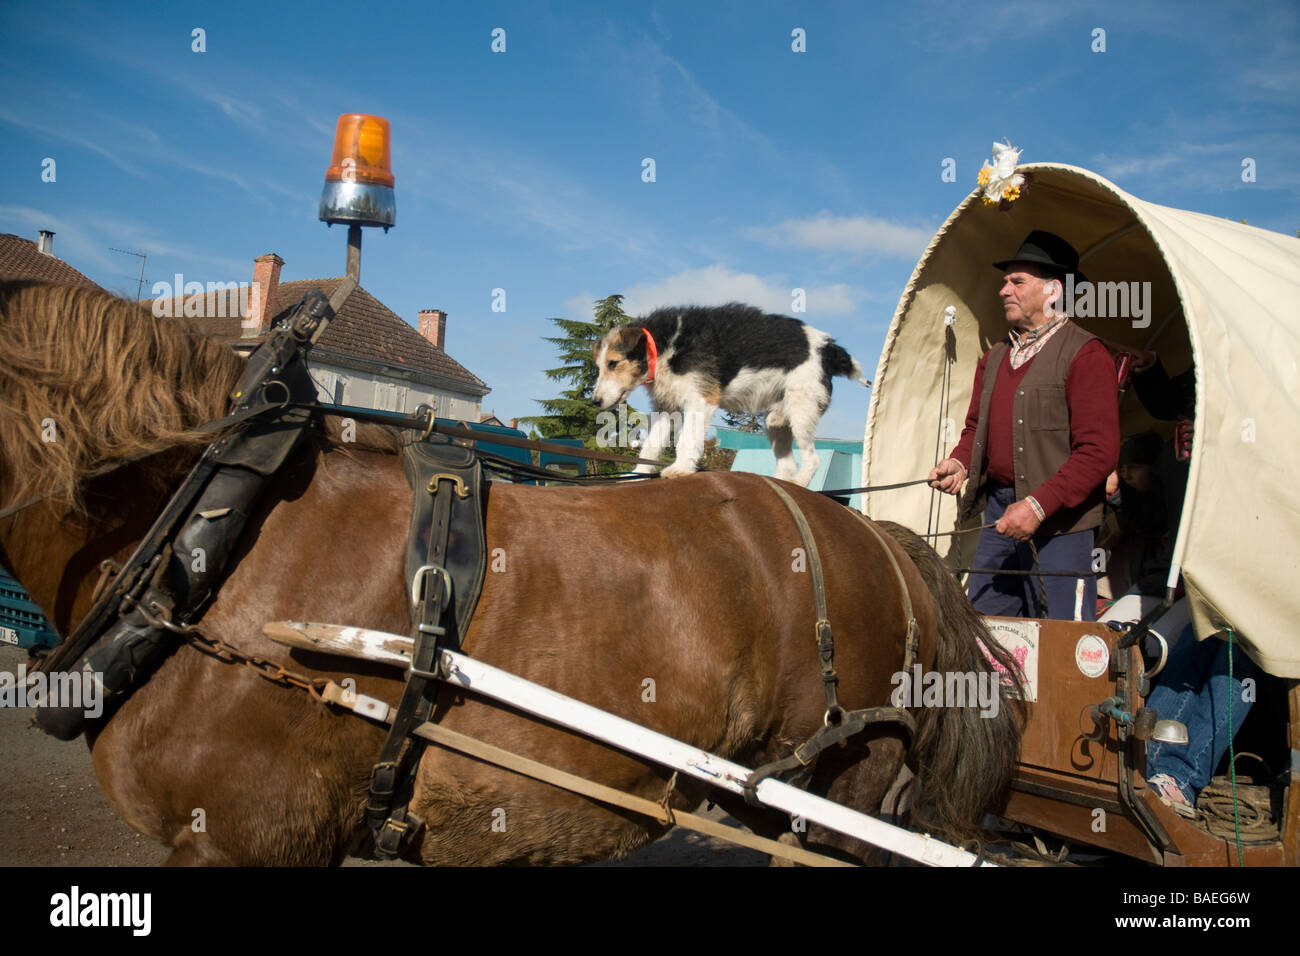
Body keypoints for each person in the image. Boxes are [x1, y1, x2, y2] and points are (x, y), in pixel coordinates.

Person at [929, 230, 1119, 621]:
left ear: (1053, 291)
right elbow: (974, 429)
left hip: (1062, 523)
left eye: (1017, 282)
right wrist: (960, 463)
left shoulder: (1085, 354)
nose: (1004, 290)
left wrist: (1037, 506)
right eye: (1004, 282)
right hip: (999, 513)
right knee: (985, 631)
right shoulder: (994, 357)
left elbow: (1098, 453)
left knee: (1061, 647)